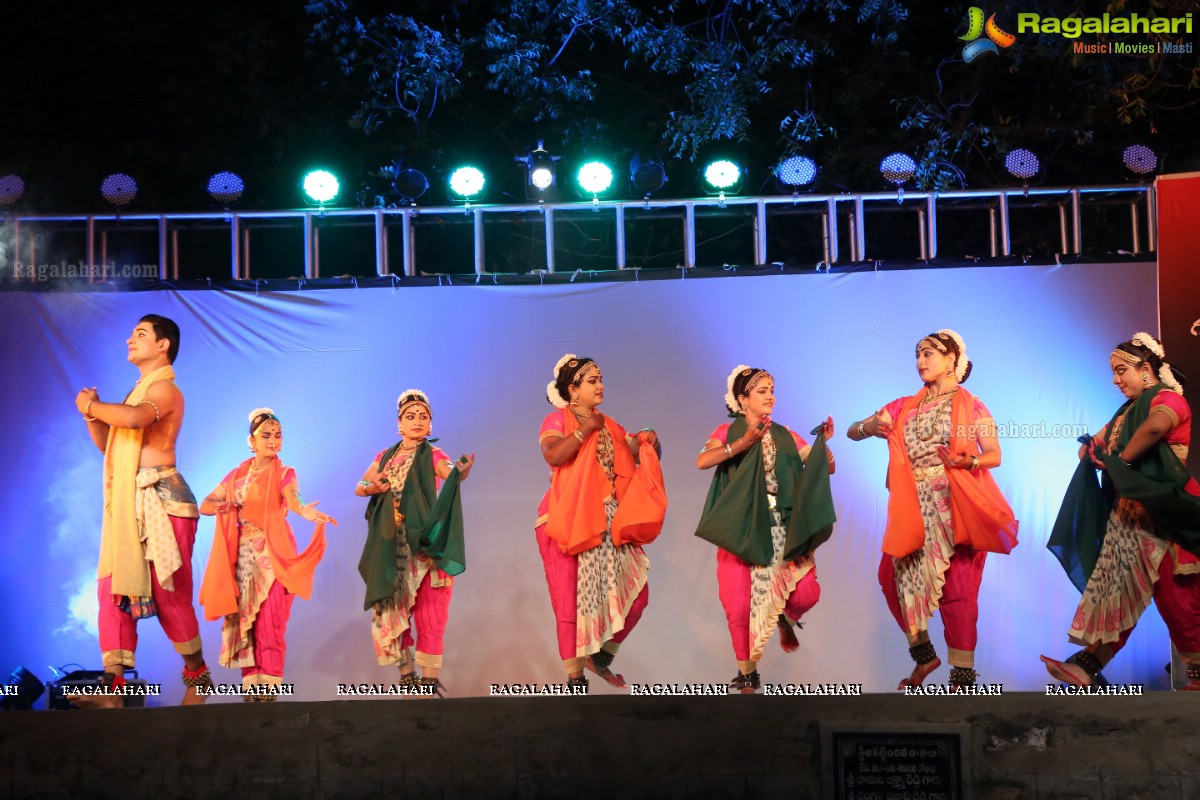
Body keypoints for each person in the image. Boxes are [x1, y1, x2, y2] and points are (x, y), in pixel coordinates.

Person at [847, 329, 1018, 690]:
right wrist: (870, 426)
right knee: (891, 578)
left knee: (958, 588)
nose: (920, 361)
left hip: (954, 501)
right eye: (918, 355)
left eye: (928, 354)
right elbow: (852, 431)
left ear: (952, 360)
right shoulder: (904, 406)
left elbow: (994, 454)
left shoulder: (970, 405)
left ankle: (963, 676)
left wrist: (966, 461)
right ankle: (925, 656)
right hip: (914, 504)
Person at [1042, 332, 1200, 690]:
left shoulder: (1168, 400)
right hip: (1129, 522)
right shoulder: (1126, 412)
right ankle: (1087, 665)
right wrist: (1095, 454)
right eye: (1113, 372)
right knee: (1119, 592)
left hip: (1165, 517)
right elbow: (1093, 447)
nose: (1115, 380)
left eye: (1121, 371)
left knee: (1178, 600)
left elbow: (1157, 426)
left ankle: (1197, 677)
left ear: (1146, 369)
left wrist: (1120, 462)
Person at [73, 314, 212, 707]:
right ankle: (113, 690)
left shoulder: (165, 388)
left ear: (163, 345)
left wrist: (93, 404)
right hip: (130, 501)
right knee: (112, 588)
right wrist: (91, 413)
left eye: (140, 334)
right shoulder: (135, 393)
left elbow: (132, 420)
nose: (130, 339)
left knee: (169, 594)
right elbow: (110, 447)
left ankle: (199, 679)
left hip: (164, 500)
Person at [694, 366, 836, 693]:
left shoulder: (786, 435)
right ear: (743, 399)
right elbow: (703, 461)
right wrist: (743, 442)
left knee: (806, 593)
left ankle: (785, 615)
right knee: (739, 604)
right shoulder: (726, 431)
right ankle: (747, 673)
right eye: (761, 390)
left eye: (772, 388)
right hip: (742, 527)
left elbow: (827, 467)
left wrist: (822, 445)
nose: (770, 395)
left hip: (780, 527)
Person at [536, 354, 667, 691]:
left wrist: (649, 441)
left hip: (608, 520)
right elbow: (553, 455)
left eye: (600, 378)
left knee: (638, 595)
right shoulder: (557, 420)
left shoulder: (609, 424)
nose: (600, 385)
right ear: (573, 390)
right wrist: (583, 430)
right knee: (569, 600)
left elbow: (634, 453)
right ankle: (574, 680)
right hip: (565, 518)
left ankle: (602, 656)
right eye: (592, 380)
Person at [198, 408, 335, 700]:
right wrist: (219, 507)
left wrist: (306, 511)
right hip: (242, 559)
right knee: (244, 625)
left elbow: (293, 498)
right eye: (266, 435)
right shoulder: (236, 475)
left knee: (270, 624)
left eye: (277, 435)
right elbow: (206, 503)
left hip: (272, 556)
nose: (273, 441)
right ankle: (251, 695)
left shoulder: (285, 473)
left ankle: (269, 695)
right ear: (252, 441)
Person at [355, 390, 474, 696]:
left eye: (424, 417)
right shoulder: (385, 456)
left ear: (430, 426)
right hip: (392, 546)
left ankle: (430, 682)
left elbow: (450, 473)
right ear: (399, 423)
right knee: (394, 612)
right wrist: (374, 486)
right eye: (411, 417)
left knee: (431, 615)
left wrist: (460, 471)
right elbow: (361, 485)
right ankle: (407, 678)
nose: (418, 422)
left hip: (424, 546)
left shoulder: (434, 455)